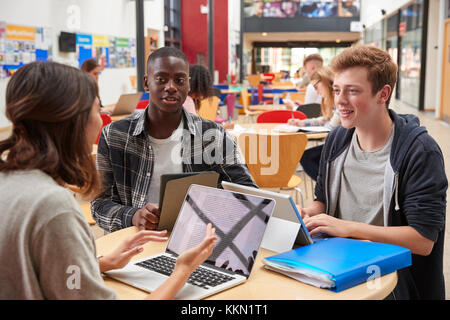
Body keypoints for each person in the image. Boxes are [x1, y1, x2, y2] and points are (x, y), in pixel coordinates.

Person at [0, 61, 218, 299]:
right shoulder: (52, 206)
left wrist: (99, 263)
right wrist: (183, 271)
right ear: (74, 121)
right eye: (96, 110)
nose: (102, 118)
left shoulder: (10, 183)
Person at [301, 45, 447, 299]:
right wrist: (307, 215)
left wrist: (348, 228)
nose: (340, 100)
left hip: (393, 279)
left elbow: (423, 241)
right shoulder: (337, 140)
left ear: (383, 94)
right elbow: (321, 201)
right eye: (336, 90)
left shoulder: (420, 152)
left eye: (352, 91)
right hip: (336, 263)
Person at [91, 47, 257, 233]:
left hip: (196, 240)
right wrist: (133, 216)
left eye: (179, 80)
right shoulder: (114, 136)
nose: (171, 87)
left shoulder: (214, 136)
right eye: (161, 79)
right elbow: (99, 204)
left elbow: (247, 194)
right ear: (146, 83)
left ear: (188, 84)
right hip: (133, 243)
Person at [287, 67, 341, 181]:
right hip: (336, 141)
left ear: (324, 80)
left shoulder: (339, 97)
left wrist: (308, 128)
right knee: (309, 158)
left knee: (307, 158)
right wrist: (302, 123)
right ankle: (326, 187)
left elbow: (331, 127)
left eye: (316, 87)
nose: (316, 91)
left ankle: (326, 188)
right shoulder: (330, 98)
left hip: (343, 144)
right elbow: (325, 119)